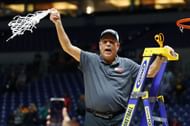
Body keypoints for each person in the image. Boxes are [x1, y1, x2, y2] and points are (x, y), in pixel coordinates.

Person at [49, 8, 174, 126]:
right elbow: (67, 47)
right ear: (100, 45)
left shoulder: (127, 64)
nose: (108, 44)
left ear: (117, 46)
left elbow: (150, 73)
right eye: (105, 41)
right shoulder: (90, 60)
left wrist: (161, 56)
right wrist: (58, 23)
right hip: (93, 119)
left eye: (112, 42)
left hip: (119, 119)